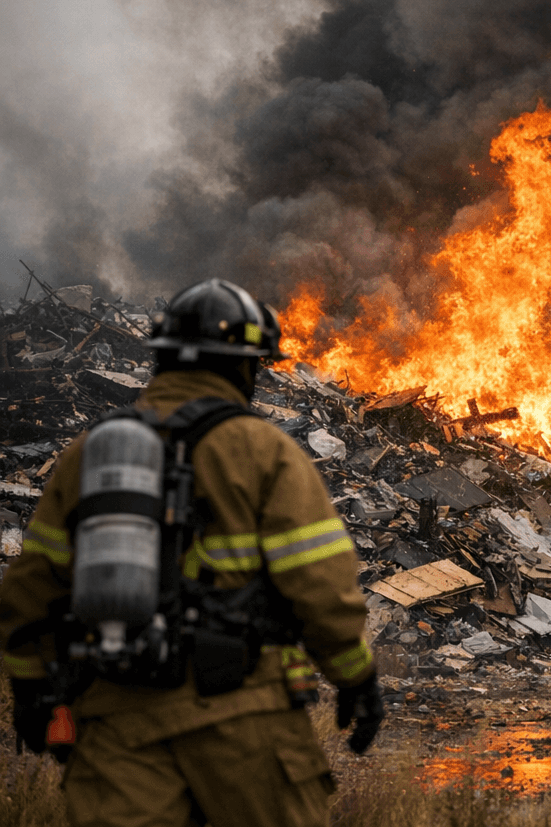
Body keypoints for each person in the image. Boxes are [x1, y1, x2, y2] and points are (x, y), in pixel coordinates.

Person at [0, 278, 383, 827]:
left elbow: (29, 590)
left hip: (117, 720)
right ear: (243, 366)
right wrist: (356, 678)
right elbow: (320, 586)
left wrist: (32, 690)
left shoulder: (92, 453)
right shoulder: (263, 449)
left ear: (163, 360)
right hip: (243, 717)